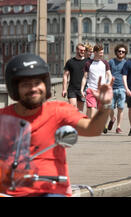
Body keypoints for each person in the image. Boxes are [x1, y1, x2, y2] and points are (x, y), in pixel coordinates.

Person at [0, 54, 113, 197]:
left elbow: (93, 129)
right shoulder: (3, 117)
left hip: (50, 189)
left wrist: (105, 105)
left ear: (46, 85)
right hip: (9, 191)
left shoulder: (58, 111)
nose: (34, 88)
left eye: (37, 83)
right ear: (15, 88)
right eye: (26, 84)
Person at [81, 45, 112, 121]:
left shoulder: (105, 63)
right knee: (92, 108)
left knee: (99, 110)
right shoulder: (88, 63)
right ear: (95, 52)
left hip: (102, 91)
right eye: (100, 53)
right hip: (91, 89)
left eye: (102, 53)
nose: (102, 54)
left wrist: (108, 85)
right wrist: (82, 89)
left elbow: (109, 75)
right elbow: (85, 77)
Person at [108, 44, 128, 134]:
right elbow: (107, 74)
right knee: (110, 107)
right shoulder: (111, 62)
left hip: (122, 88)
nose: (121, 53)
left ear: (125, 53)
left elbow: (128, 76)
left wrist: (128, 88)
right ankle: (112, 119)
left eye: (123, 52)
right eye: (119, 51)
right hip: (111, 88)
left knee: (120, 108)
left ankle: (118, 127)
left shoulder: (126, 63)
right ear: (116, 52)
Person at [62, 43, 88, 112]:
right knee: (73, 108)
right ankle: (72, 122)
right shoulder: (70, 62)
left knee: (80, 111)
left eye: (84, 50)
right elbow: (65, 75)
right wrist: (64, 89)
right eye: (81, 50)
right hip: (72, 89)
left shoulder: (87, 62)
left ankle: (76, 122)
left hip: (82, 89)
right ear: (76, 50)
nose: (83, 52)